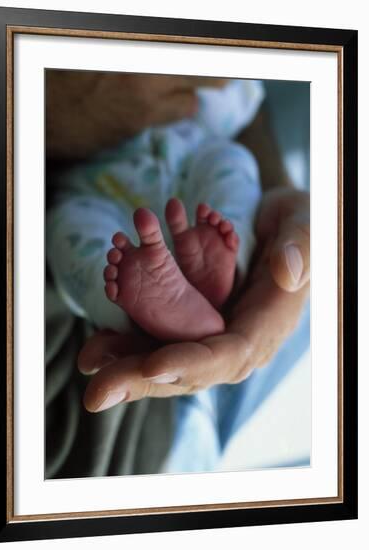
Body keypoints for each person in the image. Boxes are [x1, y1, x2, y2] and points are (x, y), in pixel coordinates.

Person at [45, 71, 310, 477]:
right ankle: (136, 308)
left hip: (186, 169)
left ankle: (224, 268)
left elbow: (243, 104)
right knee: (67, 225)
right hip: (93, 180)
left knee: (232, 164)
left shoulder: (222, 78)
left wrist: (277, 186)